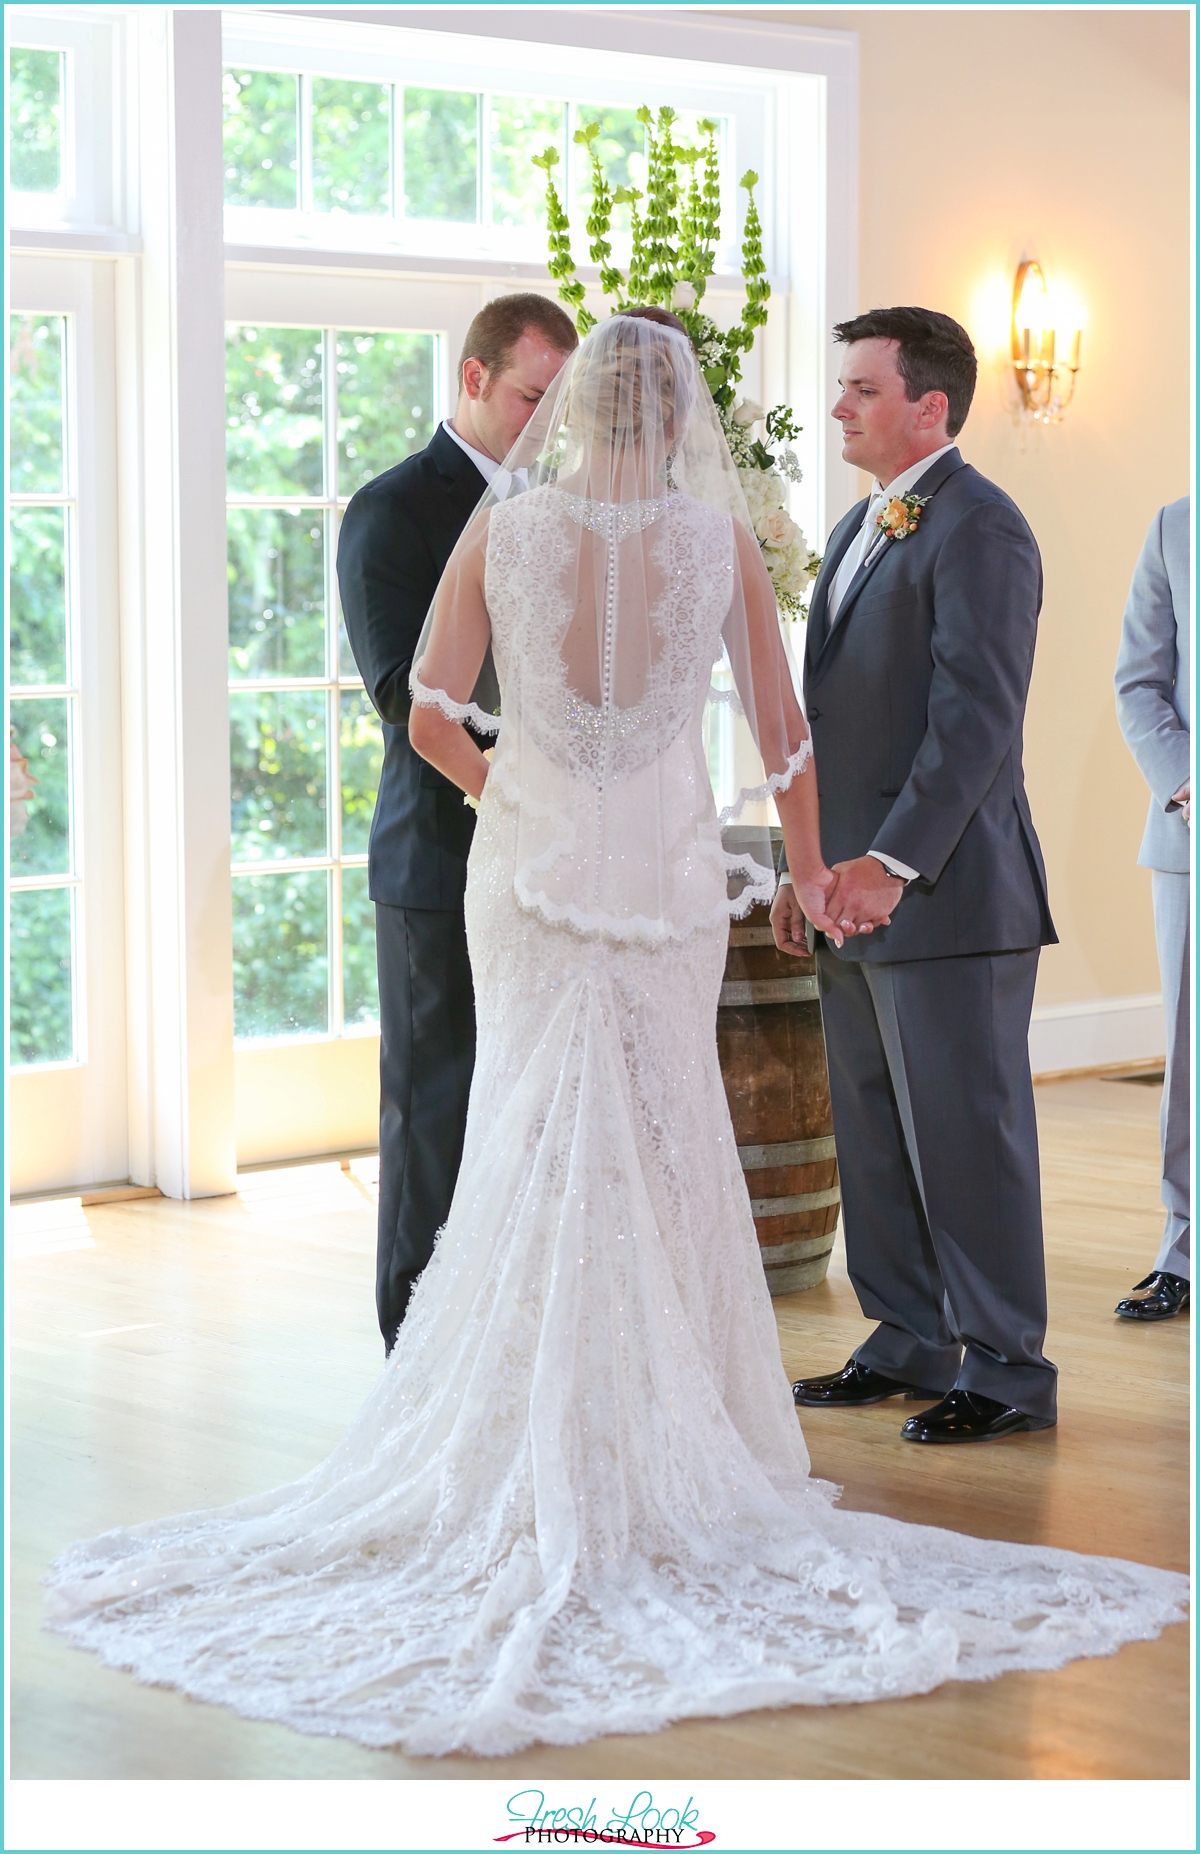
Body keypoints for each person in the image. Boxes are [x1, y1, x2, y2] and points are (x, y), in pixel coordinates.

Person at [45, 315, 1185, 1756]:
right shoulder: (713, 543)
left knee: (528, 1124)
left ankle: (522, 1427)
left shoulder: (501, 533)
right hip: (656, 880)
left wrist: (514, 787)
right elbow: (786, 745)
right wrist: (810, 869)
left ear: (574, 412)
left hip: (530, 872)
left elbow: (431, 714)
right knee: (655, 1133)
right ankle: (662, 1439)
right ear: (679, 420)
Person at [775, 307, 1060, 1443]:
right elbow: (835, 719)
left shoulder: (982, 527)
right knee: (875, 1129)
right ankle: (905, 1336)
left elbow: (976, 719)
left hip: (947, 893)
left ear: (929, 405)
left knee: (966, 1139)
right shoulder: (856, 529)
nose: (839, 406)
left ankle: (1006, 1373)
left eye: (860, 389)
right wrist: (814, 875)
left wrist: (890, 864)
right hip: (850, 894)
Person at [337, 293, 578, 1354]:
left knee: (529, 1113)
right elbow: (401, 688)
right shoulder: (392, 510)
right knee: (433, 1113)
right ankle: (415, 1356)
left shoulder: (564, 509)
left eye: (560, 405)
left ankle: (508, 1346)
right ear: (474, 380)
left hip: (553, 865)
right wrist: (518, 792)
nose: (545, 424)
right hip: (439, 855)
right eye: (532, 398)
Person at [1113, 497, 1191, 1321]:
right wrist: (1185, 782)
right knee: (1188, 1051)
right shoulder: (1174, 526)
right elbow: (1138, 681)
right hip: (1190, 833)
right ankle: (1184, 1250)